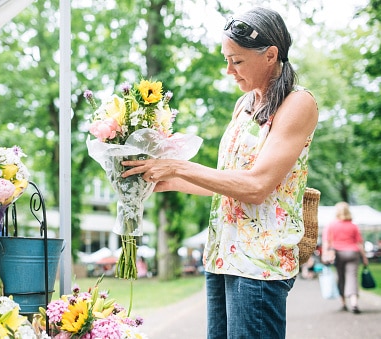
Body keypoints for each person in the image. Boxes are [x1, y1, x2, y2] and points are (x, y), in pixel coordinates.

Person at [121, 7, 318, 339]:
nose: (228, 70)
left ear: (270, 55)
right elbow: (229, 181)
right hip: (221, 257)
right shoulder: (244, 105)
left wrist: (178, 165)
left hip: (259, 265)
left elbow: (255, 187)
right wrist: (166, 181)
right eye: (227, 59)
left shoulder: (298, 103)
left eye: (237, 61)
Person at [325, 202, 369, 314]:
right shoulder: (353, 225)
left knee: (341, 277)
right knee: (352, 277)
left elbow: (327, 242)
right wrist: (364, 257)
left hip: (338, 253)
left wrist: (325, 255)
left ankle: (343, 303)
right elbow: (359, 243)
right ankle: (354, 303)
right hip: (353, 253)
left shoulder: (331, 225)